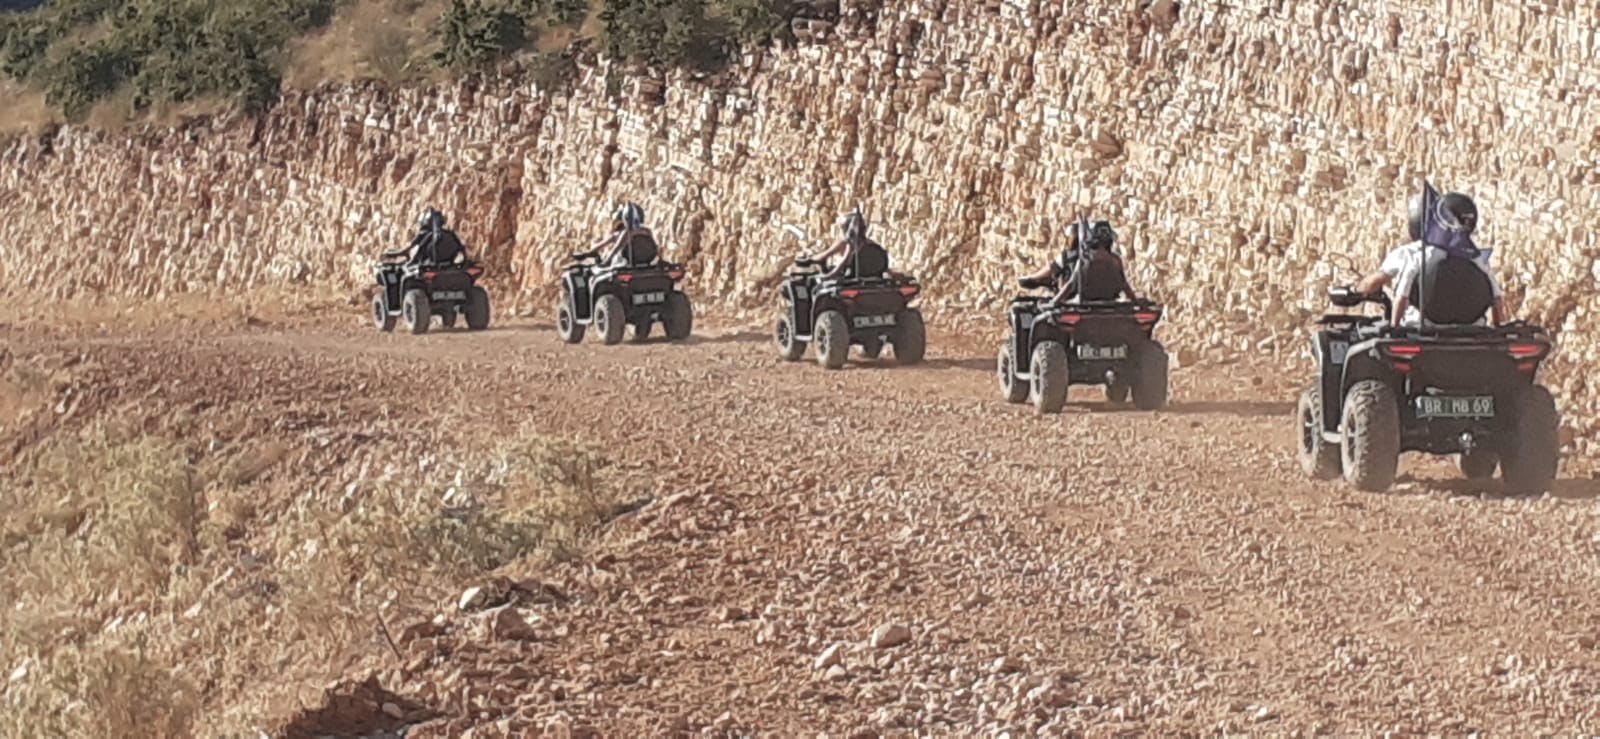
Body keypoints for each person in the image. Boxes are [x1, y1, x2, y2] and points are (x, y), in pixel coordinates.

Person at [1354, 190, 1506, 326]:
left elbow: (1394, 290)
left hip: (1420, 330)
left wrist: (1356, 290)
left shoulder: (1414, 254)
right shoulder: (1476, 257)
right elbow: (1497, 300)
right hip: (1474, 332)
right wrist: (1498, 330)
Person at [1018, 218, 1137, 302]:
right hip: (1110, 306)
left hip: (1075, 303)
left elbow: (1069, 283)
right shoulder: (1115, 260)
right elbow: (1124, 285)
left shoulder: (1076, 258)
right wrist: (1136, 303)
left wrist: (1054, 303)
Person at [805, 209, 898, 280]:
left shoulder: (847, 243)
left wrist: (809, 259)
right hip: (874, 279)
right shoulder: (872, 245)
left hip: (852, 278)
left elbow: (827, 258)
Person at [589, 202, 660, 268]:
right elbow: (655, 247)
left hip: (624, 264)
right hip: (647, 263)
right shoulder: (647, 231)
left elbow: (615, 249)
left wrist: (606, 261)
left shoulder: (625, 233)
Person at [403, 208, 468, 266]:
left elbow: (417, 247)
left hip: (431, 264)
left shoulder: (425, 235)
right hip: (449, 262)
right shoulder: (450, 233)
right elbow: (461, 247)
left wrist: (411, 261)